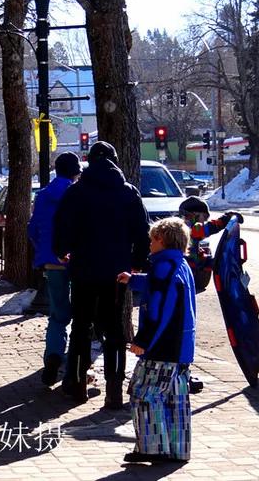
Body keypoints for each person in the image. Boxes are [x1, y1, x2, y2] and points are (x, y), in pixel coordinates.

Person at [53, 141, 149, 408]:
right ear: (116, 161)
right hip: (117, 272)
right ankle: (113, 391)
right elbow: (142, 231)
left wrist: (62, 251)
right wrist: (138, 262)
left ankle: (77, 383)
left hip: (83, 269)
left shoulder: (76, 192)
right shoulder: (128, 193)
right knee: (115, 331)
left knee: (81, 327)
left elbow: (62, 227)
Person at [117, 217, 196, 464]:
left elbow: (158, 307)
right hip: (181, 348)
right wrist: (133, 280)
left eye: (152, 240)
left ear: (161, 240)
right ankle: (177, 450)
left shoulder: (163, 268)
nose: (149, 244)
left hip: (162, 346)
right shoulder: (180, 266)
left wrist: (143, 340)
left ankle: (151, 448)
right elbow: (160, 287)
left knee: (144, 395)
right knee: (176, 400)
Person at [27, 152, 82, 386]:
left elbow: (33, 229)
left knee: (58, 314)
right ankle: (74, 368)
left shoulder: (43, 196)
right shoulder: (78, 194)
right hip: (78, 261)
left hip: (52, 261)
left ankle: (52, 356)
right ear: (75, 172)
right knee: (81, 314)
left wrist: (44, 251)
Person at [178, 196, 241, 293]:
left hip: (197, 277)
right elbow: (208, 228)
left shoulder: (200, 239)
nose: (205, 221)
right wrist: (223, 221)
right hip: (186, 274)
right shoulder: (186, 229)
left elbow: (205, 254)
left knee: (204, 245)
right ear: (193, 215)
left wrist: (213, 263)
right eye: (204, 217)